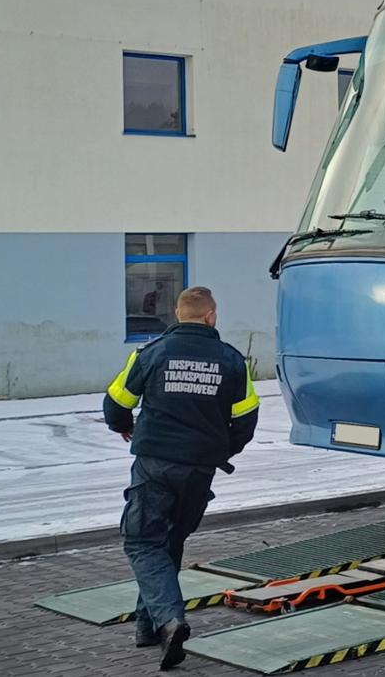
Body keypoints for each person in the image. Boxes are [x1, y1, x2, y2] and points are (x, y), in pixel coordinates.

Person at [102, 286, 260, 670]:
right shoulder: (233, 361)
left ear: (178, 314)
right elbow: (246, 419)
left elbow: (115, 403)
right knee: (168, 540)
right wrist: (220, 450)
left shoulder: (150, 353)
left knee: (142, 541)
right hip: (200, 468)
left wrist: (124, 426)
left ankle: (171, 621)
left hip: (155, 462)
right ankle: (149, 627)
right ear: (211, 316)